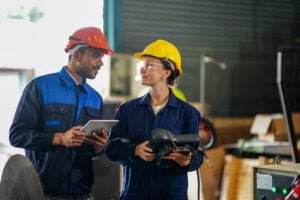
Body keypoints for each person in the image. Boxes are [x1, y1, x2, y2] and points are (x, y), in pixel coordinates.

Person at [9, 26, 113, 200]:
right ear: (77, 54)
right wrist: (59, 138)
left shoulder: (95, 98)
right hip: (43, 192)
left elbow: (90, 151)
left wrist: (98, 147)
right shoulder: (40, 87)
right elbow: (17, 135)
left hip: (82, 192)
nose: (101, 63)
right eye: (96, 55)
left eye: (101, 57)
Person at [105, 39, 203, 200]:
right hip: (135, 192)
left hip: (171, 194)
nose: (143, 70)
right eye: (141, 65)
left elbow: (198, 155)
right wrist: (134, 150)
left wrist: (187, 161)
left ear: (167, 72)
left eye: (150, 65)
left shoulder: (188, 113)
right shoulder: (128, 109)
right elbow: (111, 149)